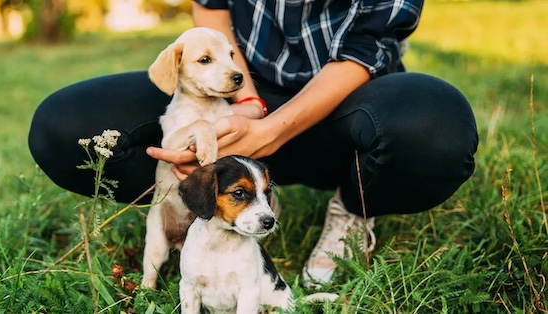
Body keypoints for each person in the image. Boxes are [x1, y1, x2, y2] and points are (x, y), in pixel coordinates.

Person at [28, 0, 478, 287]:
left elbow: (365, 48)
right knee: (62, 125)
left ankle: (356, 207)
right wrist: (245, 104)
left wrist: (271, 129)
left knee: (435, 127)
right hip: (240, 89)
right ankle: (194, 206)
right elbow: (212, 9)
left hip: (348, 101)